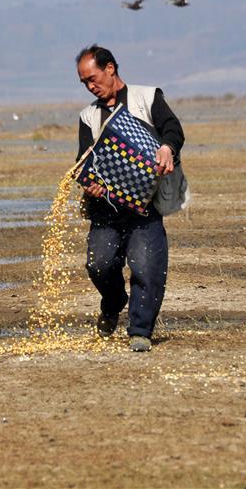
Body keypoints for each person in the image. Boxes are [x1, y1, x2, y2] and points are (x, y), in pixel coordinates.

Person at [74, 44, 187, 352]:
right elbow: (83, 162)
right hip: (106, 208)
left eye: (92, 78)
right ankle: (113, 302)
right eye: (84, 82)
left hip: (145, 203)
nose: (90, 86)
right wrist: (89, 183)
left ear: (110, 68)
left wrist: (167, 148)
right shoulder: (88, 116)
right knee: (99, 265)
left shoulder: (147, 98)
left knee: (146, 266)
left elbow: (173, 130)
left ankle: (140, 330)